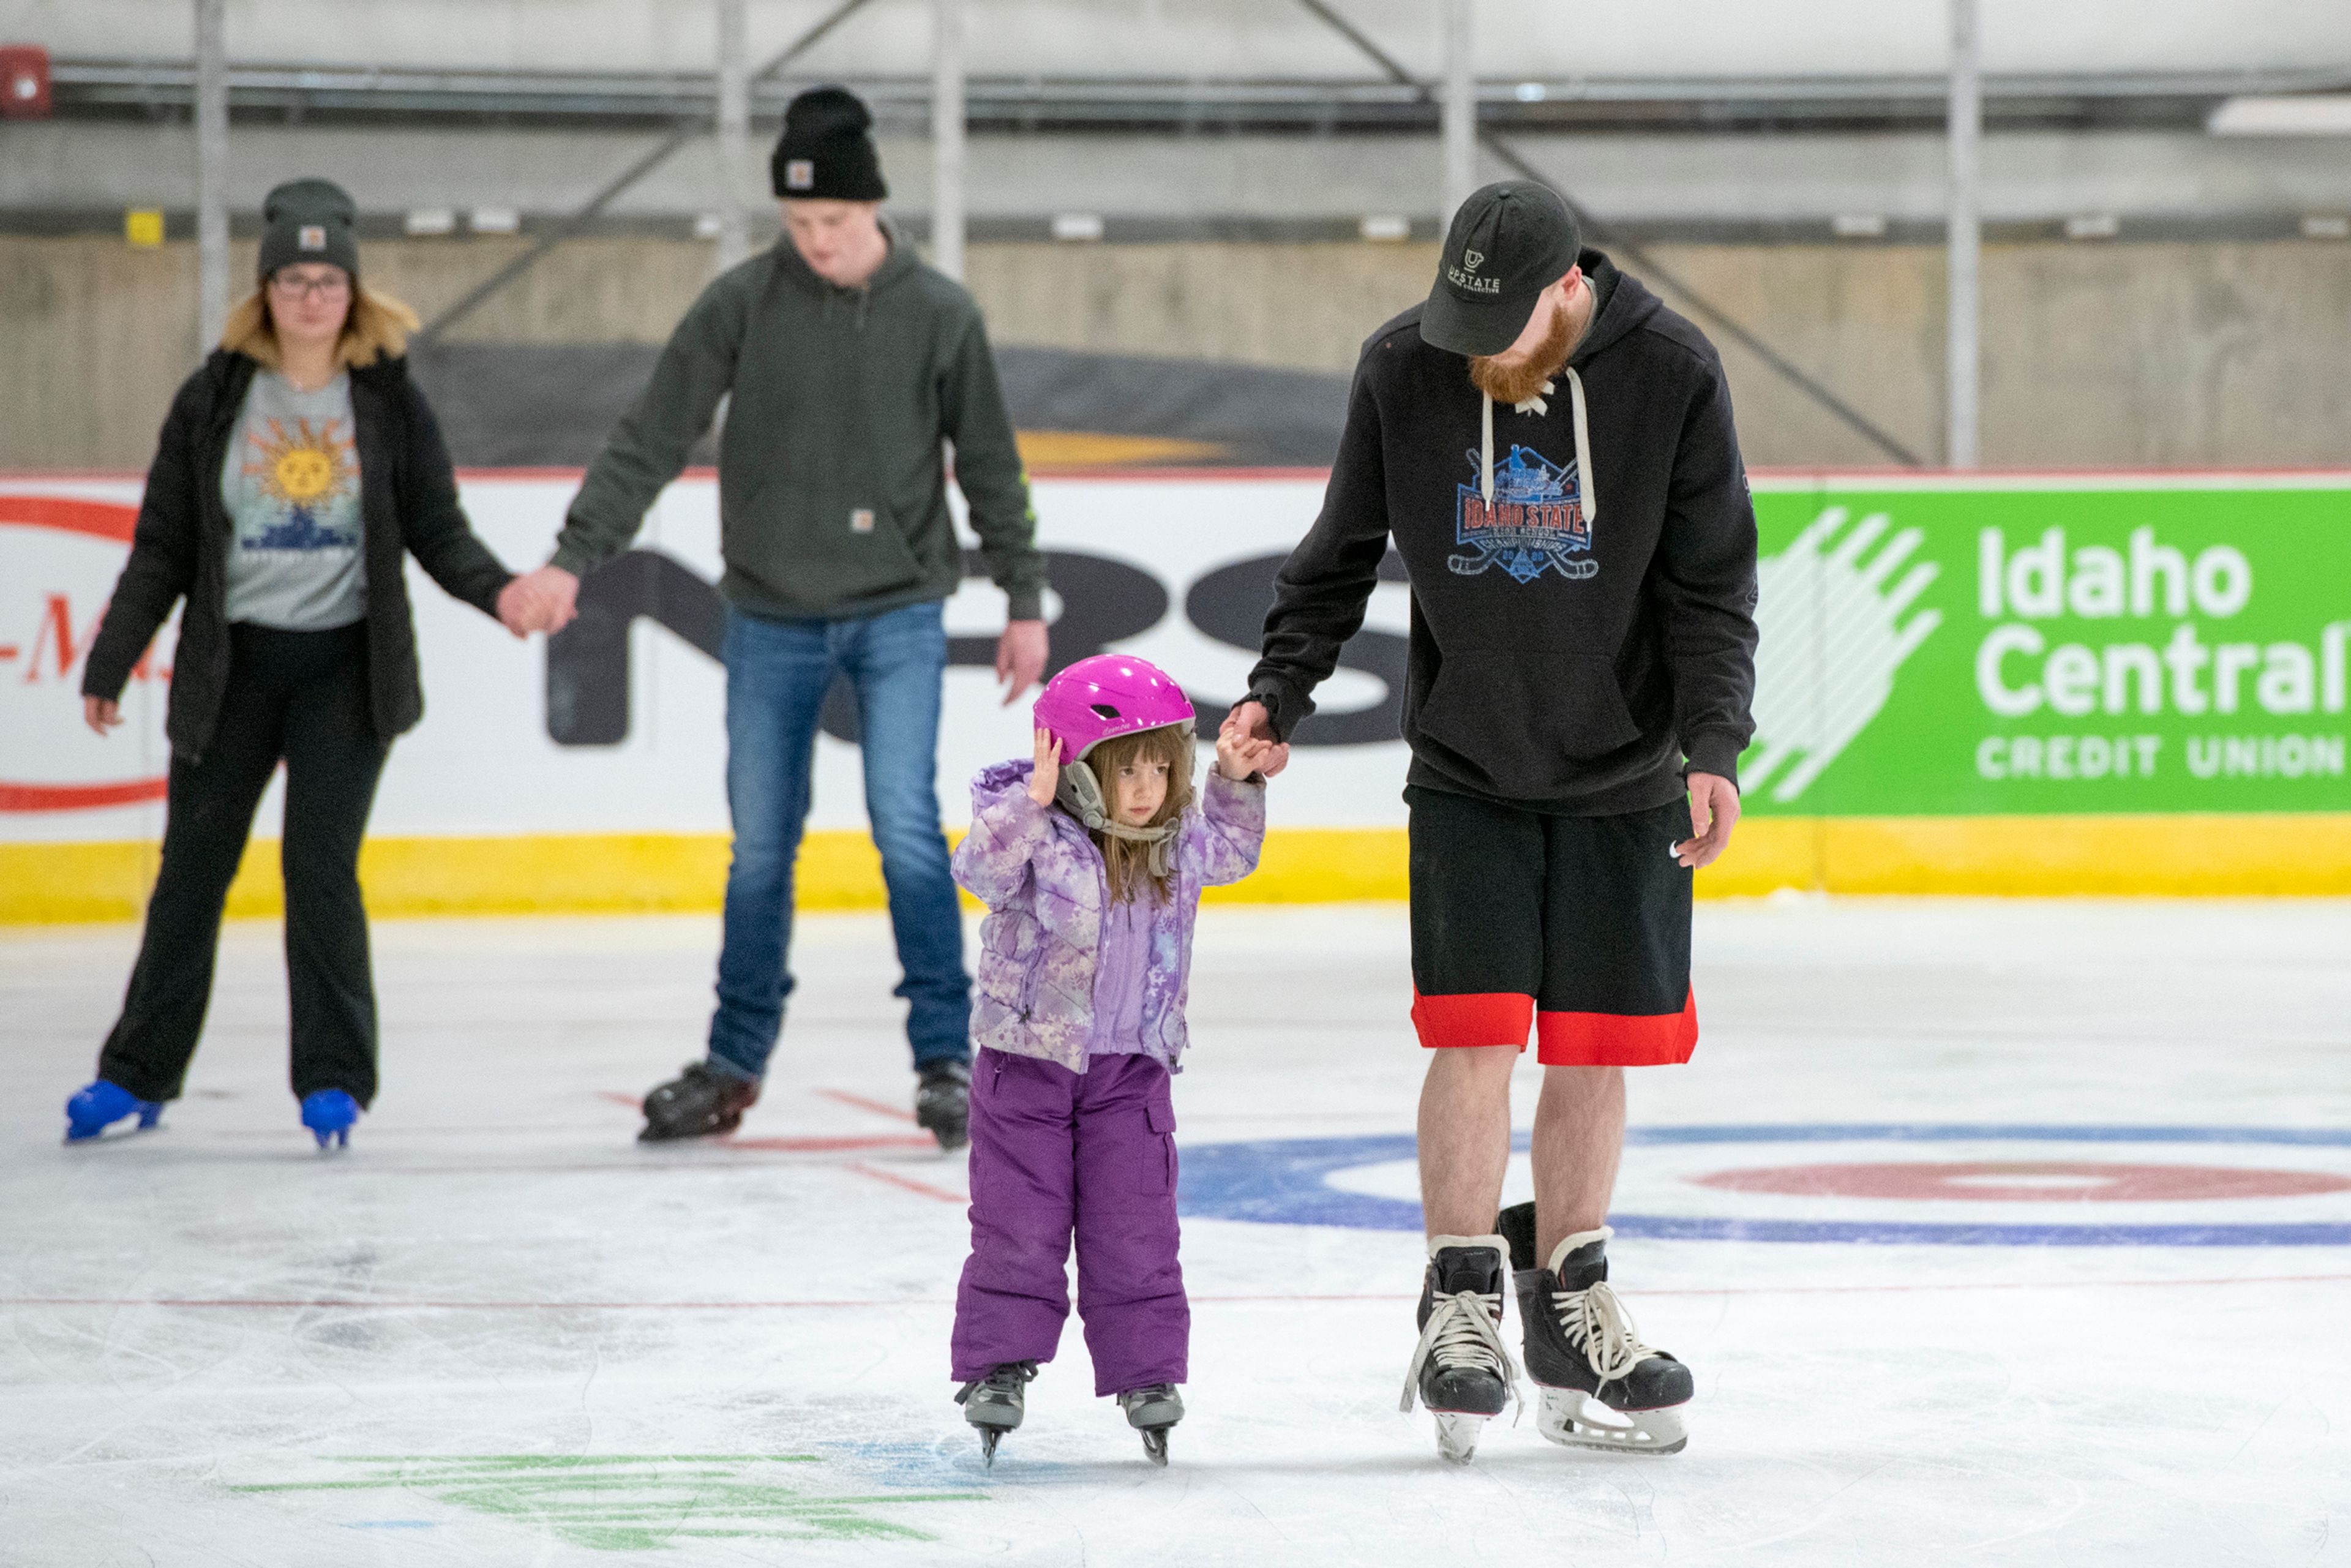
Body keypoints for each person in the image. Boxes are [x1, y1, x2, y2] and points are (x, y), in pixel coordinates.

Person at [1231, 180, 1759, 1461]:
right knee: (1473, 1033)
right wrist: (1276, 692)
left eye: (1504, 325)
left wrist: (1713, 746)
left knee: (1595, 1047)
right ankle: (1458, 1298)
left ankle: (1572, 1302)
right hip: (1467, 762)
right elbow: (1340, 548)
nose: (1477, 350)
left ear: (1571, 287)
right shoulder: (1405, 369)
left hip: (1627, 772)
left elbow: (1711, 585)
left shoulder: (1673, 374)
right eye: (1461, 321)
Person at [500, 85, 1046, 1151]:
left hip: (898, 609)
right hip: (768, 616)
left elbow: (989, 463)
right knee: (759, 847)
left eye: (834, 223)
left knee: (904, 829)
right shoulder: (742, 303)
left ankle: (947, 1058)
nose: (817, 243)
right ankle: (734, 1062)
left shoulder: (941, 313)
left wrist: (1022, 597)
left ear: (875, 208)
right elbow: (651, 438)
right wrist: (574, 557)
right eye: (799, 225)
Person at [67, 178, 520, 1150]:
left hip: (344, 676)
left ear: (353, 294)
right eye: (292, 280)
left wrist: (504, 594)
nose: (311, 298)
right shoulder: (217, 394)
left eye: (328, 281)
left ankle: (334, 1082)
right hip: (229, 670)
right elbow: (162, 543)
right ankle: (136, 1074)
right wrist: (112, 659)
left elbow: (439, 532)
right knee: (191, 870)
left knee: (321, 872)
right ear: (264, 291)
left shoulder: (389, 399)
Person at [945, 656, 1280, 1467]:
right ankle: (999, 1364)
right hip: (1027, 1063)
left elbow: (1234, 849)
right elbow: (975, 871)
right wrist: (1029, 805)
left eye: (1161, 767)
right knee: (1018, 1222)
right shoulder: (1042, 838)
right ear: (1082, 772)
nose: (1145, 787)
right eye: (1125, 768)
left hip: (1131, 1069)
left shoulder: (1181, 843)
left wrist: (1237, 782)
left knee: (1136, 1223)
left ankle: (1146, 1372)